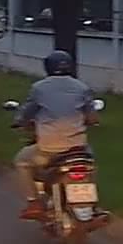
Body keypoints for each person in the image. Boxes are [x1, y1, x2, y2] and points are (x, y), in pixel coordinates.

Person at [12, 50, 97, 220]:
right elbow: (92, 118)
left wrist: (20, 121)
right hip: (78, 148)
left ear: (48, 67)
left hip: (49, 149)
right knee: (90, 163)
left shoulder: (39, 88)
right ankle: (93, 205)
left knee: (22, 162)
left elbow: (27, 113)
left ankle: (34, 202)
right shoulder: (82, 87)